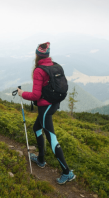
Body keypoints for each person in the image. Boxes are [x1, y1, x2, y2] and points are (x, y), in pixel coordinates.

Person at [17, 42, 76, 184]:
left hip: (45, 108)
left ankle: (67, 173)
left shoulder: (39, 70)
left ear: (37, 55)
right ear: (48, 55)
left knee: (52, 138)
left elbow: (36, 96)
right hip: (54, 104)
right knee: (36, 128)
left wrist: (22, 93)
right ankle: (41, 159)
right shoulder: (54, 65)